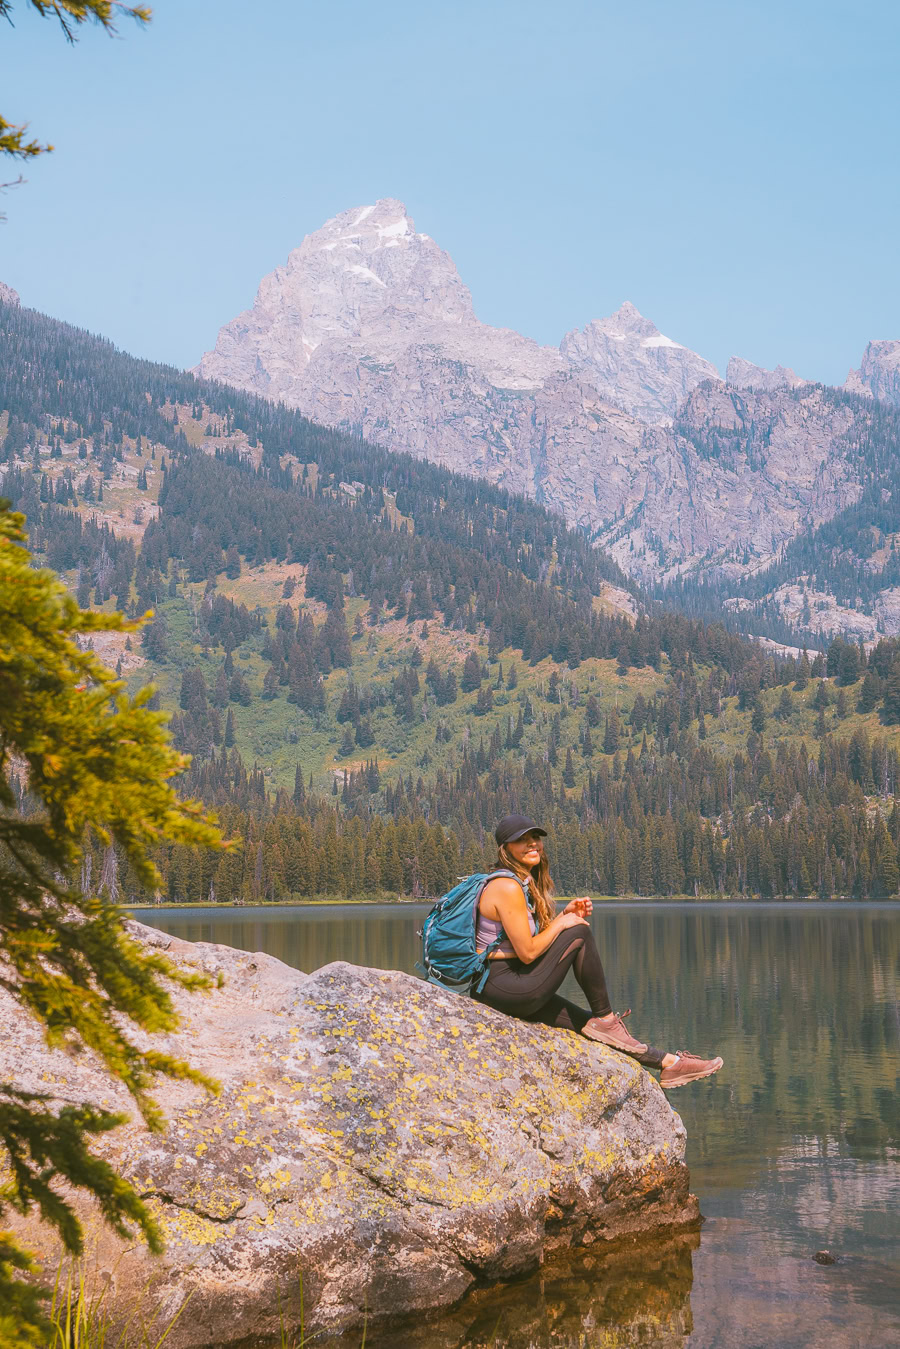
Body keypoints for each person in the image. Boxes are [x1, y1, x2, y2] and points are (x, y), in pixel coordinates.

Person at [474, 814, 723, 1089]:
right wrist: (563, 923)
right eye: (522, 840)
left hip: (512, 983)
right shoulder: (506, 886)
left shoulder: (518, 883)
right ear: (505, 848)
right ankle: (606, 1018)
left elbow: (528, 941)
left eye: (535, 838)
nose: (533, 844)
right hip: (503, 984)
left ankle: (669, 1064)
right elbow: (528, 953)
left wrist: (565, 915)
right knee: (579, 932)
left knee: (588, 1026)